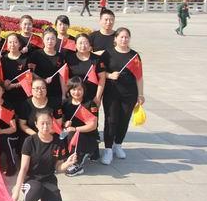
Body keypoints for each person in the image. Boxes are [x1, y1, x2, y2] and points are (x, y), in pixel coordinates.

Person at [12, 109, 78, 201]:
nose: (45, 126)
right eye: (42, 123)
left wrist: (67, 164)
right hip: (31, 179)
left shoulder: (58, 142)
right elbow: (24, 168)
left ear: (52, 124)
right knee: (36, 188)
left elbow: (58, 167)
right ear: (36, 124)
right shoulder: (29, 141)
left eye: (48, 123)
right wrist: (16, 190)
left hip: (48, 179)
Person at [100, 27, 145, 165]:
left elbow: (139, 77)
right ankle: (108, 149)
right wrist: (110, 75)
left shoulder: (134, 56)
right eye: (121, 37)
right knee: (111, 120)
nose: (124, 40)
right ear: (115, 39)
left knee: (124, 119)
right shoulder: (108, 54)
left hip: (129, 94)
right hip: (111, 93)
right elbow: (99, 72)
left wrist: (141, 94)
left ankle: (118, 144)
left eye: (126, 37)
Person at [61, 77, 100, 175]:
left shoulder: (90, 104)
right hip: (70, 133)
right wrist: (65, 123)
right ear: (69, 90)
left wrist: (75, 128)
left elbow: (93, 126)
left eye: (79, 89)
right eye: (74, 89)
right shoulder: (66, 103)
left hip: (87, 135)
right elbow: (62, 121)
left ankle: (77, 163)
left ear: (84, 90)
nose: (76, 92)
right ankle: (67, 156)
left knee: (73, 134)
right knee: (60, 135)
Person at [28, 28, 66, 107]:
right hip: (39, 92)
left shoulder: (60, 56)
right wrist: (43, 80)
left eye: (52, 39)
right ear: (43, 39)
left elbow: (62, 76)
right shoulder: (36, 54)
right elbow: (30, 72)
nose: (50, 41)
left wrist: (63, 94)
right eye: (47, 39)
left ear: (56, 40)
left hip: (56, 92)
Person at [66, 34, 106, 104]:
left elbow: (102, 78)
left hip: (91, 97)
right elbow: (65, 77)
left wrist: (98, 97)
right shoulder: (69, 59)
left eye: (85, 43)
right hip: (74, 96)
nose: (83, 46)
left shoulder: (97, 59)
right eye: (80, 43)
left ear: (90, 44)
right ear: (75, 45)